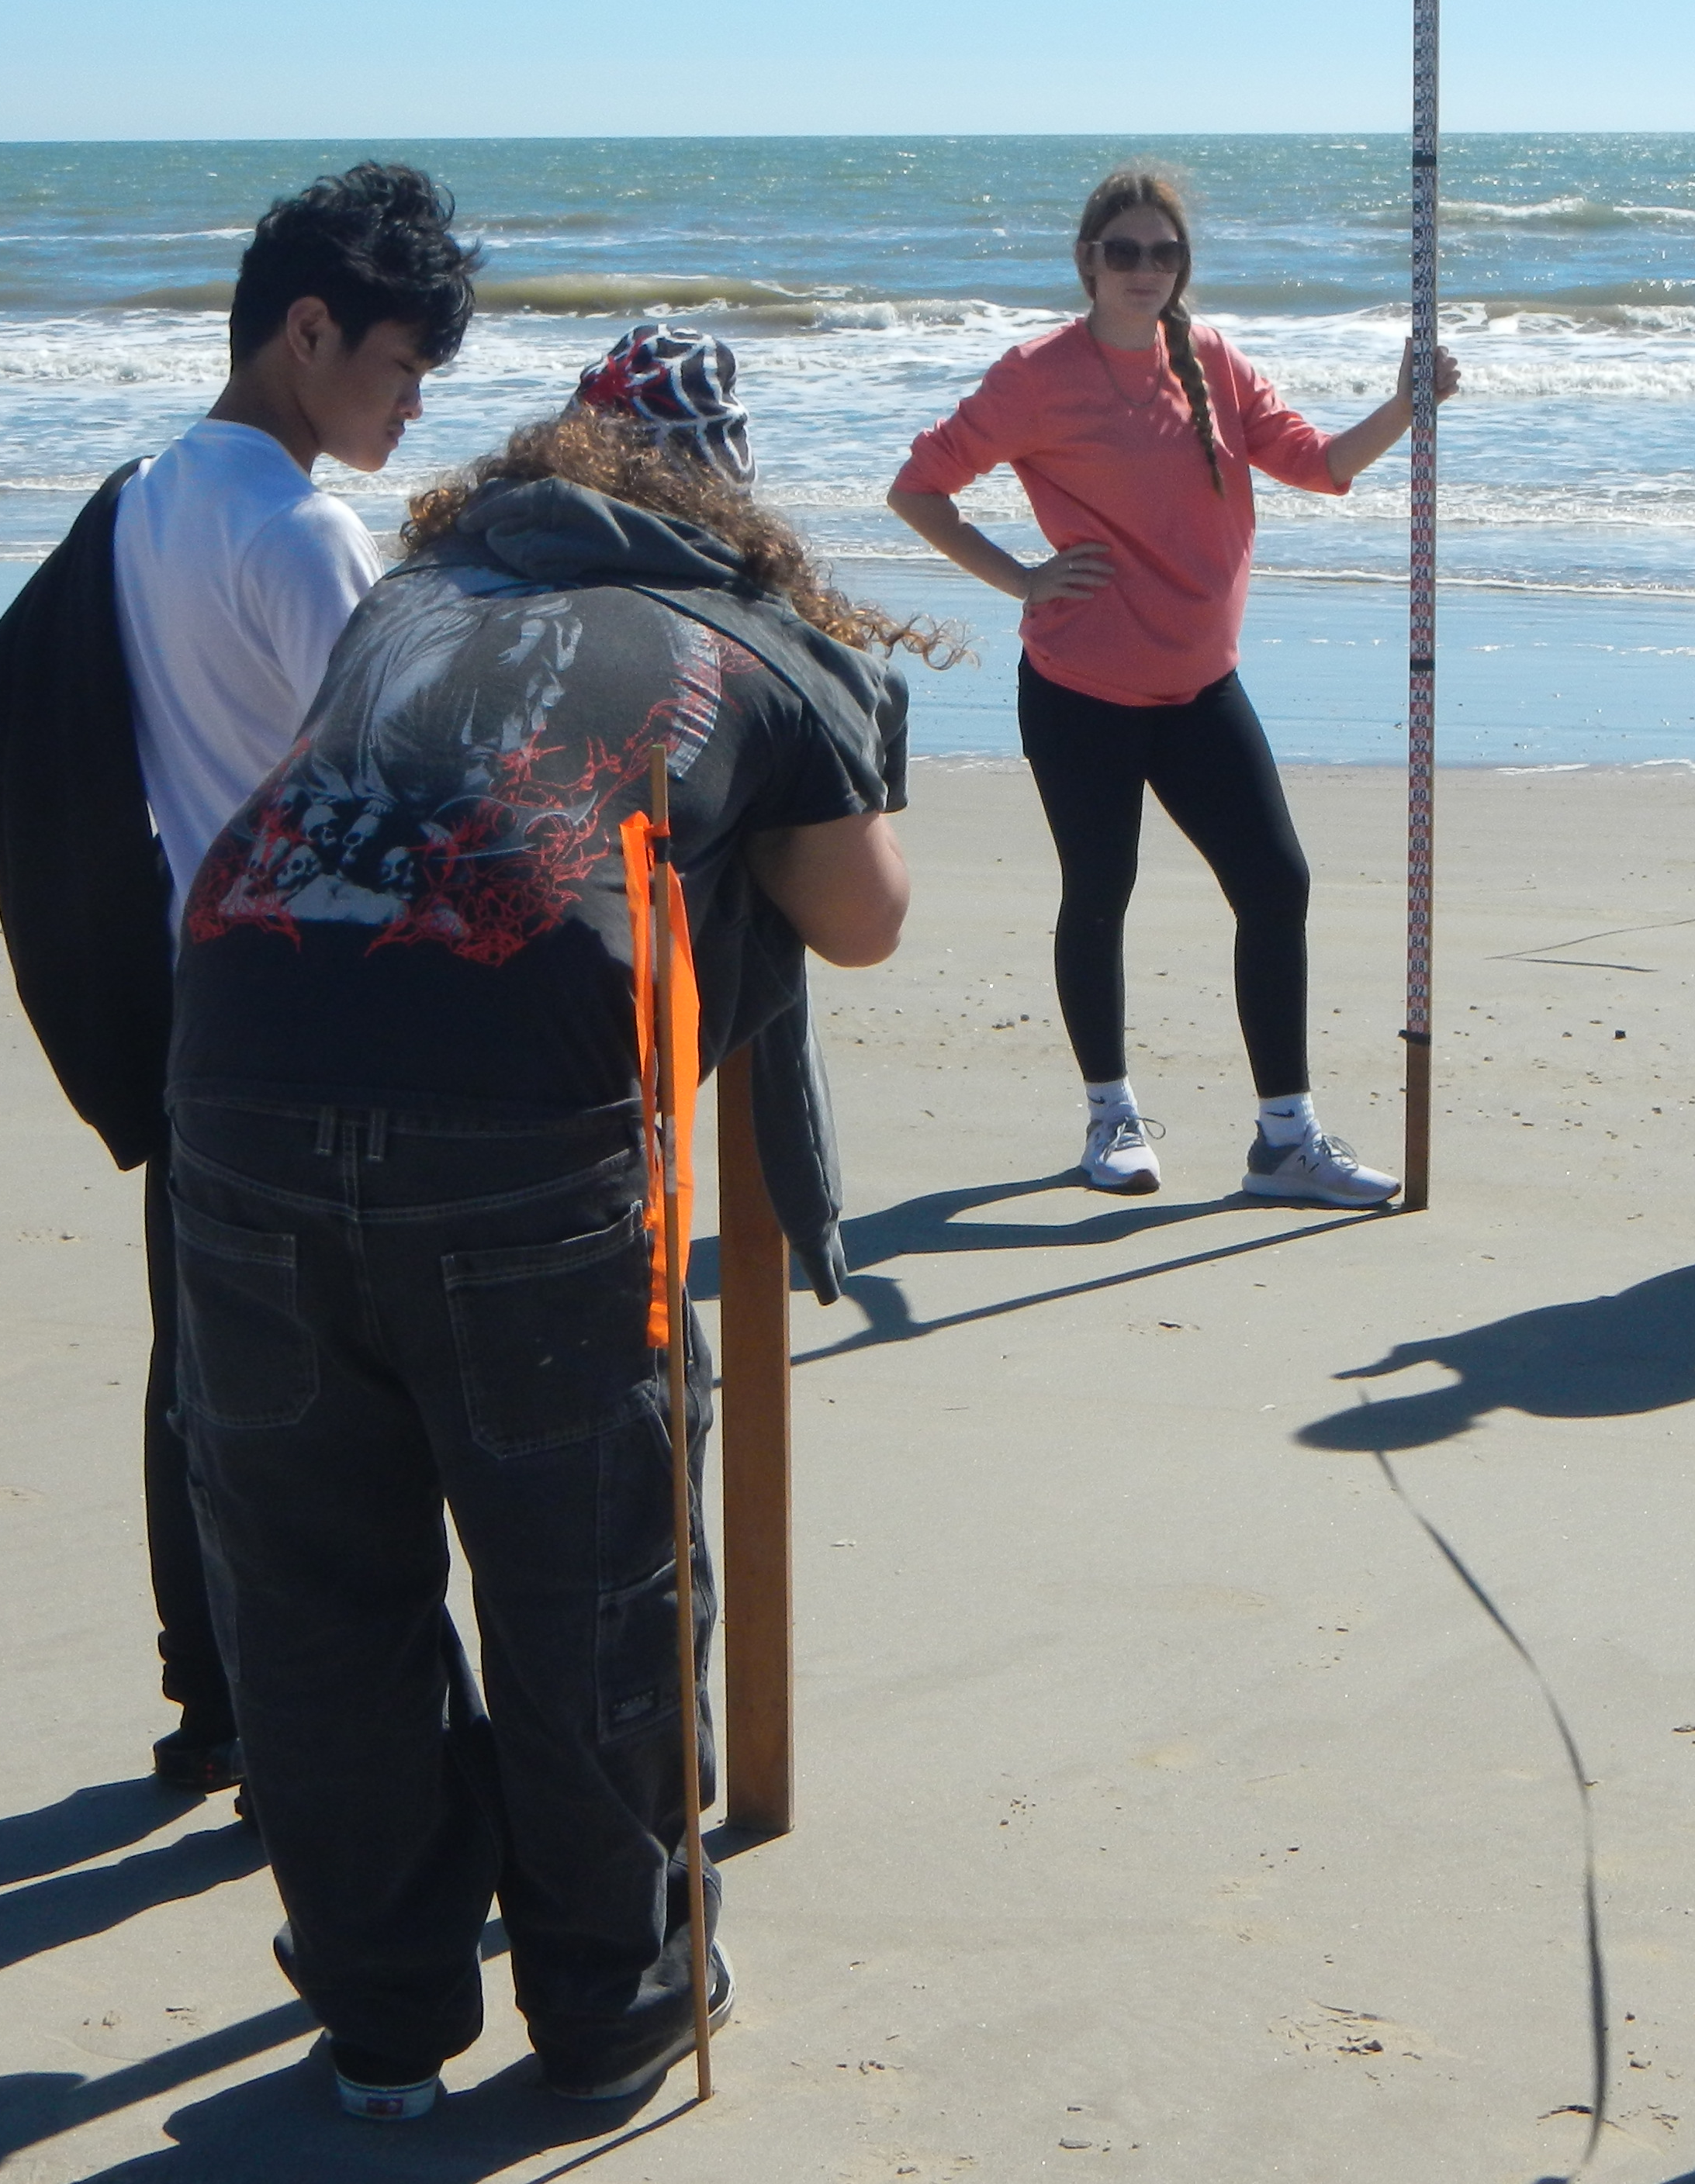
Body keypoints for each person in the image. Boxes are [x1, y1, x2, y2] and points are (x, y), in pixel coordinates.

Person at [164, 392, 925, 2119]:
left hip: (245, 1069)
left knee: (314, 1585)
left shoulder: (410, 598)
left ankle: (381, 2027)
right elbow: (864, 923)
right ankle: (616, 2004)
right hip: (514, 1116)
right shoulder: (754, 640)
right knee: (593, 1574)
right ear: (737, 519)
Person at [107, 163, 478, 1794]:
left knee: (198, 1369)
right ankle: (308, 1735)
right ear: (307, 331)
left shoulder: (146, 491)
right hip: (316, 1013)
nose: (411, 404)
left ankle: (212, 1700)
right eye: (399, 368)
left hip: (190, 989)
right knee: (328, 1422)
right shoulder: (302, 529)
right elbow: (392, 791)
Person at [884, 163, 1447, 1204]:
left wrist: (1405, 403)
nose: (1147, 270)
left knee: (1276, 884)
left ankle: (1285, 1138)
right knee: (1100, 896)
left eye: (1166, 253)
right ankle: (1111, 1116)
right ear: (1088, 261)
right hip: (1081, 689)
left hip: (1200, 688)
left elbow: (1320, 465)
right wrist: (1023, 576)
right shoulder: (1035, 377)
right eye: (1127, 251)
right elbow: (918, 488)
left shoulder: (1214, 364)